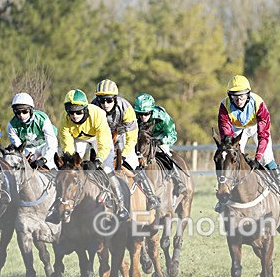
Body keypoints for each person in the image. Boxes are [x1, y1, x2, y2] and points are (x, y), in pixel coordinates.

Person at [216, 75, 280, 210]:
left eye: (242, 95)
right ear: (229, 95)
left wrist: (258, 158)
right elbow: (226, 133)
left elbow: (263, 135)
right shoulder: (224, 106)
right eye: (234, 96)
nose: (238, 100)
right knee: (231, 157)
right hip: (237, 129)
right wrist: (230, 146)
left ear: (248, 94)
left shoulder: (259, 103)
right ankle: (223, 194)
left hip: (257, 127)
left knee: (267, 157)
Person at [54, 88, 129, 221]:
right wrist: (71, 163)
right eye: (71, 112)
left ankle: (121, 205)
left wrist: (97, 161)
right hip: (79, 139)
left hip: (98, 138)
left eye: (78, 112)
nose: (75, 115)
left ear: (85, 109)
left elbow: (104, 143)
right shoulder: (64, 122)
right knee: (68, 173)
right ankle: (58, 206)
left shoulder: (98, 114)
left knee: (107, 169)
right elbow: (68, 146)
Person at [92, 79, 158, 209]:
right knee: (97, 164)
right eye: (101, 100)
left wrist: (125, 154)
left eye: (109, 100)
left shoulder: (125, 108)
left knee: (133, 162)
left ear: (115, 99)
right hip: (102, 135)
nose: (105, 104)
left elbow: (132, 136)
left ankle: (151, 197)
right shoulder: (93, 107)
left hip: (123, 133)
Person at [132, 92, 187, 197]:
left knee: (165, 151)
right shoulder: (134, 117)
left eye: (146, 113)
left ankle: (178, 180)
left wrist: (161, 141)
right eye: (140, 113)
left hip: (160, 136)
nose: (143, 117)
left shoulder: (162, 116)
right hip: (142, 138)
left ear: (152, 111)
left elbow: (172, 134)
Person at [6, 92, 58, 169]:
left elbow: (51, 144)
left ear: (31, 110)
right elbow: (19, 148)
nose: (21, 115)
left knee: (49, 165)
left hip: (45, 145)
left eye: (24, 111)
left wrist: (44, 159)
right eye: (18, 112)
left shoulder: (42, 119)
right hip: (29, 148)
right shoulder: (11, 125)